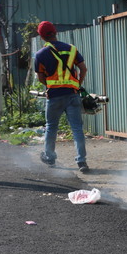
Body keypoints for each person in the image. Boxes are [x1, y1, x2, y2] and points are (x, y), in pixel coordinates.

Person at [34, 21, 89, 173]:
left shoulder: (40, 54)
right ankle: (82, 161)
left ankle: (50, 157)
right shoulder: (71, 49)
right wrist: (77, 84)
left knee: (51, 127)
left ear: (42, 36)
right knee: (77, 128)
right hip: (72, 94)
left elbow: (40, 77)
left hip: (54, 96)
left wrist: (49, 86)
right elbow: (83, 68)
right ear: (55, 31)